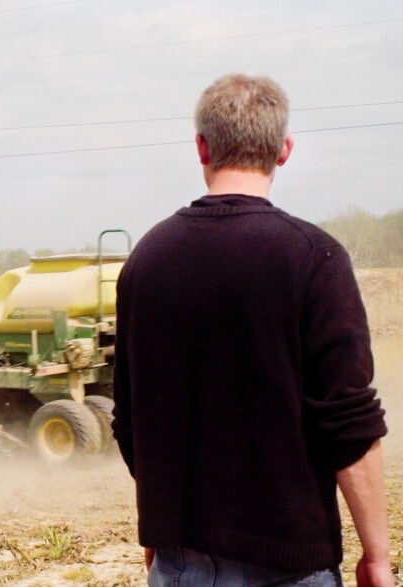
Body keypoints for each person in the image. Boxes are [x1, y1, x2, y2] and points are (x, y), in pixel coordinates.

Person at [111, 73, 392, 586]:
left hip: (177, 566)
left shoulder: (144, 263)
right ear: (283, 150)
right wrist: (377, 555)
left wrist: (157, 529)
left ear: (201, 146)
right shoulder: (313, 258)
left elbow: (132, 421)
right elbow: (348, 423)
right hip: (289, 568)